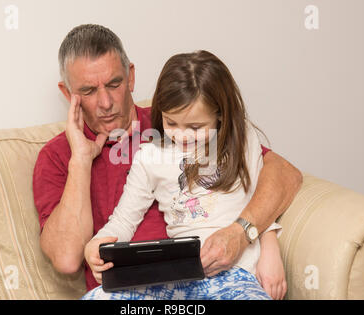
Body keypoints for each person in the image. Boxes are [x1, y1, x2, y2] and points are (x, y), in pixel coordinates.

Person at [32, 24, 303, 297]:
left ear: (131, 77)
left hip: (226, 274)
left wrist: (249, 235)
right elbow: (71, 256)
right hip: (141, 290)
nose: (105, 102)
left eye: (114, 84)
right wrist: (80, 159)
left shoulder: (183, 114)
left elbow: (280, 174)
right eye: (89, 91)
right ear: (68, 95)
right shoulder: (59, 156)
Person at [82, 50, 284, 300]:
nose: (182, 135)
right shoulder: (149, 156)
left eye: (196, 127)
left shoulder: (242, 139)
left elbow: (263, 200)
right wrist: (97, 244)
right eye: (171, 123)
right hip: (176, 279)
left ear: (220, 114)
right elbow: (123, 221)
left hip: (238, 275)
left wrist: (271, 253)